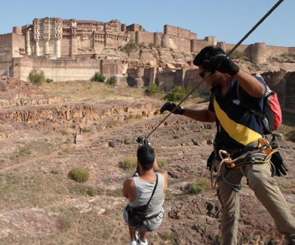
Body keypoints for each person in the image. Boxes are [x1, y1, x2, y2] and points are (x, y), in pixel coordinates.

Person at [160, 46, 295, 244]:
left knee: (258, 179)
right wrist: (181, 111)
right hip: (227, 158)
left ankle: (291, 232)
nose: (201, 78)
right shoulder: (216, 94)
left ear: (216, 69)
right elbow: (209, 116)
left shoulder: (243, 84)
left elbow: (259, 91)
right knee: (228, 211)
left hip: (254, 153)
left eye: (203, 73)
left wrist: (235, 70)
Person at [122, 142, 168, 245]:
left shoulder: (130, 182)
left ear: (138, 162)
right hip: (154, 222)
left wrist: (135, 178)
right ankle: (143, 240)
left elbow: (125, 195)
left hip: (136, 222)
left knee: (131, 207)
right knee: (148, 208)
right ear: (154, 160)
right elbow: (157, 169)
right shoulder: (164, 176)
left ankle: (133, 240)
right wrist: (151, 152)